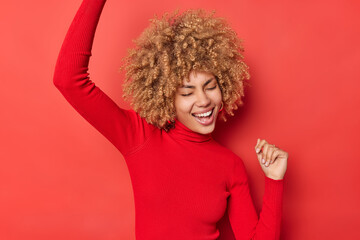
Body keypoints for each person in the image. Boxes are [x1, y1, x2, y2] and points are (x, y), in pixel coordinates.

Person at [53, 0, 288, 239]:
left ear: (224, 86)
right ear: (167, 97)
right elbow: (68, 80)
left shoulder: (231, 166)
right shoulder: (139, 136)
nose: (204, 100)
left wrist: (275, 180)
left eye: (210, 86)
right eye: (187, 92)